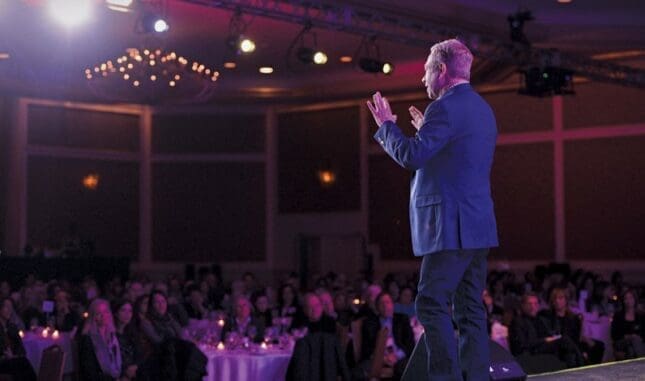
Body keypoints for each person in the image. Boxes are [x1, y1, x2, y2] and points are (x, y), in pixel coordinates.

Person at [367, 38, 498, 380]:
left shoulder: (445, 108)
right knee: (470, 308)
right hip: (479, 225)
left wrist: (386, 127)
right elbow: (458, 160)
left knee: (430, 303)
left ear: (441, 70)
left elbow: (412, 156)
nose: (423, 78)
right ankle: (476, 376)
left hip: (450, 226)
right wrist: (427, 132)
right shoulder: (483, 109)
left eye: (426, 70)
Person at [509, 293, 583, 369]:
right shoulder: (517, 322)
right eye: (529, 304)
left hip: (541, 347)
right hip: (530, 351)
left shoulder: (539, 320)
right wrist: (544, 340)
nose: (533, 307)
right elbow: (522, 344)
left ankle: (574, 368)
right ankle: (581, 365)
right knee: (564, 341)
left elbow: (548, 334)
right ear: (523, 306)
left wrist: (553, 337)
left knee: (565, 343)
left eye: (535, 304)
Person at [539, 288, 604, 364]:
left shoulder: (574, 318)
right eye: (554, 299)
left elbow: (577, 336)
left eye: (560, 298)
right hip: (559, 343)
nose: (557, 301)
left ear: (566, 300)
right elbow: (553, 334)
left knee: (599, 345)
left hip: (574, 342)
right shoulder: (548, 316)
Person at [361, 292, 414, 380]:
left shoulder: (402, 319)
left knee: (404, 368)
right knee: (366, 369)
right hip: (379, 358)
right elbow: (366, 348)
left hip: (399, 357)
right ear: (377, 307)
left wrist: (396, 356)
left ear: (392, 305)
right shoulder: (370, 323)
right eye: (381, 303)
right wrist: (382, 358)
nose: (385, 305)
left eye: (387, 302)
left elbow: (410, 344)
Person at [78, 298, 122, 381]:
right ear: (93, 317)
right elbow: (89, 372)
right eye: (98, 313)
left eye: (106, 312)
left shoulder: (113, 337)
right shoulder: (88, 339)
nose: (103, 315)